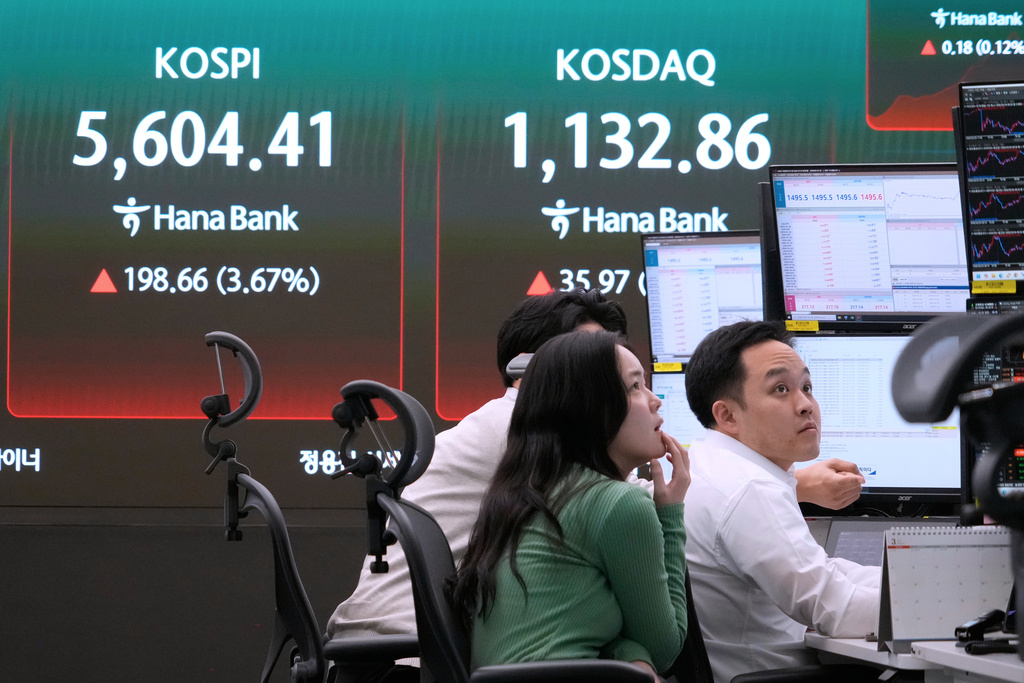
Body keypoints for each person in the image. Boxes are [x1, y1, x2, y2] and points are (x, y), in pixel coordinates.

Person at [326, 288, 864, 681]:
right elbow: (647, 489)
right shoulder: (524, 433)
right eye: (611, 376)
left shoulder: (537, 463)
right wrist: (777, 484)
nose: (652, 401)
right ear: (558, 379)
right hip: (400, 659)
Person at [325, 288, 628, 682]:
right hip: (405, 664)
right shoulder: (528, 431)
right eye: (587, 361)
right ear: (537, 366)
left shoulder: (507, 425)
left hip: (382, 659)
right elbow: (639, 516)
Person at [449, 330, 690, 681]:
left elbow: (601, 635)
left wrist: (628, 653)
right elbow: (665, 648)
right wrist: (670, 513)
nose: (655, 401)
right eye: (635, 386)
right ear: (591, 407)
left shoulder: (531, 490)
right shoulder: (620, 503)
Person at [682, 321, 881, 683]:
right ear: (726, 415)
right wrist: (946, 602)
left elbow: (820, 571)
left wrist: (908, 579)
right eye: (780, 389)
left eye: (806, 387)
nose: (805, 405)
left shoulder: (706, 462)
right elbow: (835, 608)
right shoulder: (748, 488)